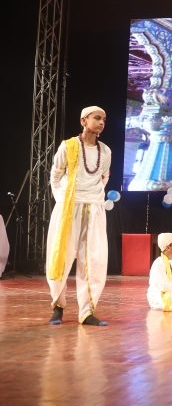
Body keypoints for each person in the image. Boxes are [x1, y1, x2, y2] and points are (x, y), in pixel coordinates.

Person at [46, 107, 112, 326]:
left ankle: (87, 311)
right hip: (68, 207)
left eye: (104, 119)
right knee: (61, 256)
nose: (101, 122)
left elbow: (103, 177)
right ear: (84, 120)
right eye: (97, 118)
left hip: (94, 208)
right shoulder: (68, 146)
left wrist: (94, 196)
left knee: (93, 259)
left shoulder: (106, 151)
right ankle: (58, 306)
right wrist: (62, 199)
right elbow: (56, 175)